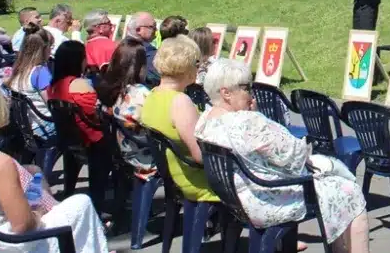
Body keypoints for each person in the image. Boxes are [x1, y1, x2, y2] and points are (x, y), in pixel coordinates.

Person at [196, 60, 370, 253]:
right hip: (266, 200)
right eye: (246, 88)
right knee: (351, 191)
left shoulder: (206, 119)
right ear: (226, 93)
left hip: (235, 197)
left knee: (335, 185)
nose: (251, 94)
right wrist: (258, 115)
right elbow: (296, 153)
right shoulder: (248, 122)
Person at [0, 76, 111, 253]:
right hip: (12, 244)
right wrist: (37, 211)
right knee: (81, 203)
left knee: (35, 176)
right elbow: (22, 226)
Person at [140, 36, 218, 203]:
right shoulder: (180, 102)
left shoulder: (153, 94)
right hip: (195, 181)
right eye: (197, 64)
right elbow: (200, 156)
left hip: (172, 174)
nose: (199, 68)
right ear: (187, 67)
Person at [96, 38, 156, 181]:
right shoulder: (141, 94)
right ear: (141, 65)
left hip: (119, 152)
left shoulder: (105, 87)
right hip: (143, 158)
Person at [47, 41, 103, 147]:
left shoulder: (52, 87)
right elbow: (95, 114)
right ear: (78, 61)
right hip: (91, 139)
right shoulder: (79, 85)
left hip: (67, 139)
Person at [5, 25, 55, 139]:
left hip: (27, 126)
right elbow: (53, 105)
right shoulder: (40, 72)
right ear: (43, 48)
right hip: (46, 127)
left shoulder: (19, 69)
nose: (51, 50)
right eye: (50, 47)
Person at [124, 13, 159, 85]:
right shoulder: (150, 53)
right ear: (138, 30)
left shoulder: (119, 47)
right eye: (153, 26)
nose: (156, 29)